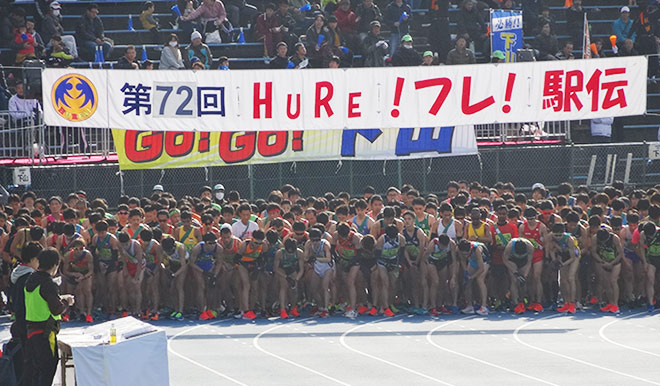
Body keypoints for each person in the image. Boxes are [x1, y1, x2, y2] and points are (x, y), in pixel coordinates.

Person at [24, 248, 73, 386]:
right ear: (54, 265)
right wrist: (66, 302)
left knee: (36, 369)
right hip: (45, 331)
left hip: (31, 329)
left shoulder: (30, 279)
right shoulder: (48, 283)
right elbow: (56, 309)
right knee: (48, 368)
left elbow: (41, 299)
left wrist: (60, 298)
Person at [547, 223, 581, 314]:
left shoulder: (569, 239)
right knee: (562, 280)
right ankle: (566, 302)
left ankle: (572, 303)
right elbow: (551, 250)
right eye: (556, 235)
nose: (558, 237)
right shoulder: (550, 237)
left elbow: (573, 257)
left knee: (570, 278)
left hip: (573, 257)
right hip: (562, 255)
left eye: (560, 235)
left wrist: (563, 264)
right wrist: (555, 260)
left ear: (563, 233)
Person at [89, 220, 121, 317]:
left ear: (107, 230)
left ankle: (113, 309)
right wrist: (97, 266)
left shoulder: (112, 239)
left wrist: (109, 268)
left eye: (103, 232)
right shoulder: (95, 238)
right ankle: (106, 308)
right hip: (101, 263)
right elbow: (93, 253)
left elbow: (115, 256)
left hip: (111, 265)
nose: (101, 235)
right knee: (102, 288)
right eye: (99, 233)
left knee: (111, 288)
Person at [190, 232, 223, 319]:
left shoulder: (218, 248)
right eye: (210, 243)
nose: (212, 245)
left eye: (214, 243)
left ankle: (210, 308)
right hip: (198, 266)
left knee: (211, 287)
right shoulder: (197, 248)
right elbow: (191, 263)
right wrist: (202, 271)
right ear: (205, 242)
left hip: (209, 266)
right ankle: (201, 310)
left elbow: (219, 262)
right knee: (201, 286)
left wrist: (215, 275)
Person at [422, 234, 457, 315]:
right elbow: (424, 258)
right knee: (435, 282)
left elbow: (454, 261)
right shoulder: (433, 244)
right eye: (442, 246)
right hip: (432, 262)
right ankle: (433, 306)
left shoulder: (452, 244)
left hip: (442, 262)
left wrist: (453, 276)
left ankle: (440, 305)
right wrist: (424, 271)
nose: (444, 248)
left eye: (445, 246)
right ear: (439, 243)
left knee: (443, 283)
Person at [520, 206, 546, 311]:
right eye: (528, 219)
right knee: (529, 278)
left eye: (532, 218)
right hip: (527, 255)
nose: (530, 221)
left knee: (537, 277)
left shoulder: (541, 227)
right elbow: (520, 241)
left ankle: (538, 302)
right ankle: (531, 300)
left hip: (538, 254)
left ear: (536, 217)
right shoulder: (522, 227)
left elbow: (546, 242)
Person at [61, 239, 94, 322]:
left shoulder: (88, 255)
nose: (78, 251)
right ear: (72, 249)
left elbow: (91, 271)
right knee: (71, 291)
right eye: (76, 249)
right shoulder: (68, 256)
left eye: (81, 249)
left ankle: (89, 313)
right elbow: (65, 271)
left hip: (85, 274)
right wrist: (74, 274)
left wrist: (84, 276)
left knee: (87, 290)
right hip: (73, 273)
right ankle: (71, 312)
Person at [591, 228, 623, 313]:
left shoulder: (615, 238)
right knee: (606, 283)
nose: (603, 242)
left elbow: (620, 253)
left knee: (613, 281)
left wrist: (612, 263)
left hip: (615, 262)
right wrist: (601, 261)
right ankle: (611, 302)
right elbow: (593, 252)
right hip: (604, 261)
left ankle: (616, 305)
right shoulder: (595, 238)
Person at [236, 230, 266, 319]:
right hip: (243, 265)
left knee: (255, 287)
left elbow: (264, 260)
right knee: (246, 285)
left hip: (255, 265)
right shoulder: (245, 245)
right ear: (252, 239)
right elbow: (236, 258)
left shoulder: (263, 246)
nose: (258, 245)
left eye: (260, 243)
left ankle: (252, 308)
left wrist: (258, 269)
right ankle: (245, 310)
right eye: (256, 243)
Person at [457, 239, 489, 315]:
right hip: (473, 261)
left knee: (480, 280)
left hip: (484, 261)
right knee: (466, 281)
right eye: (463, 254)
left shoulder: (477, 249)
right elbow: (462, 260)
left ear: (470, 249)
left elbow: (481, 268)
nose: (465, 255)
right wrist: (466, 272)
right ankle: (469, 305)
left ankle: (484, 307)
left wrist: (472, 277)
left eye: (466, 254)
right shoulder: (459, 249)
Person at [273, 237, 304, 318]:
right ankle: (283, 309)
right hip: (282, 270)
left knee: (294, 288)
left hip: (292, 270)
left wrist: (296, 279)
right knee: (283, 286)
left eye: (292, 252)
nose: (290, 254)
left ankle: (293, 308)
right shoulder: (279, 253)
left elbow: (301, 270)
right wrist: (286, 277)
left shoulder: (300, 253)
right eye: (288, 252)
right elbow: (275, 268)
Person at [503, 238, 535, 314]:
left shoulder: (530, 247)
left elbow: (529, 262)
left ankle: (522, 300)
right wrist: (515, 272)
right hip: (512, 260)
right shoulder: (510, 246)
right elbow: (505, 259)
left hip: (524, 260)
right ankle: (515, 303)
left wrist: (525, 275)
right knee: (514, 280)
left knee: (523, 281)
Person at [160, 237, 188, 320]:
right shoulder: (162, 247)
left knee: (179, 286)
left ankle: (180, 311)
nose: (168, 252)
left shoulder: (180, 248)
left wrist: (174, 275)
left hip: (183, 264)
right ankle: (175, 309)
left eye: (170, 251)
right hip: (173, 264)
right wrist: (165, 268)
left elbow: (184, 266)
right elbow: (161, 262)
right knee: (172, 288)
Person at [118, 231, 144, 316]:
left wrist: (136, 277)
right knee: (129, 287)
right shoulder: (120, 245)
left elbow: (140, 262)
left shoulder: (136, 245)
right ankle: (133, 308)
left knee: (137, 286)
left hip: (139, 265)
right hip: (129, 264)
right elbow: (123, 259)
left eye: (126, 244)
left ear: (129, 241)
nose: (125, 246)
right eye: (123, 244)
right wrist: (125, 270)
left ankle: (138, 308)